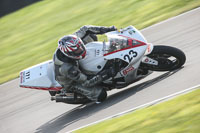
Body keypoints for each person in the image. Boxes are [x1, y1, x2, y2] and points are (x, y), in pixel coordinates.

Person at [53, 25, 117, 102]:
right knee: (100, 95)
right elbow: (87, 82)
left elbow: (86, 29)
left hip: (75, 63)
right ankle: (64, 94)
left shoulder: (73, 40)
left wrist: (108, 29)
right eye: (77, 51)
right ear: (69, 54)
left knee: (91, 36)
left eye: (80, 46)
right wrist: (106, 74)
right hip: (72, 81)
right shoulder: (67, 68)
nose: (81, 49)